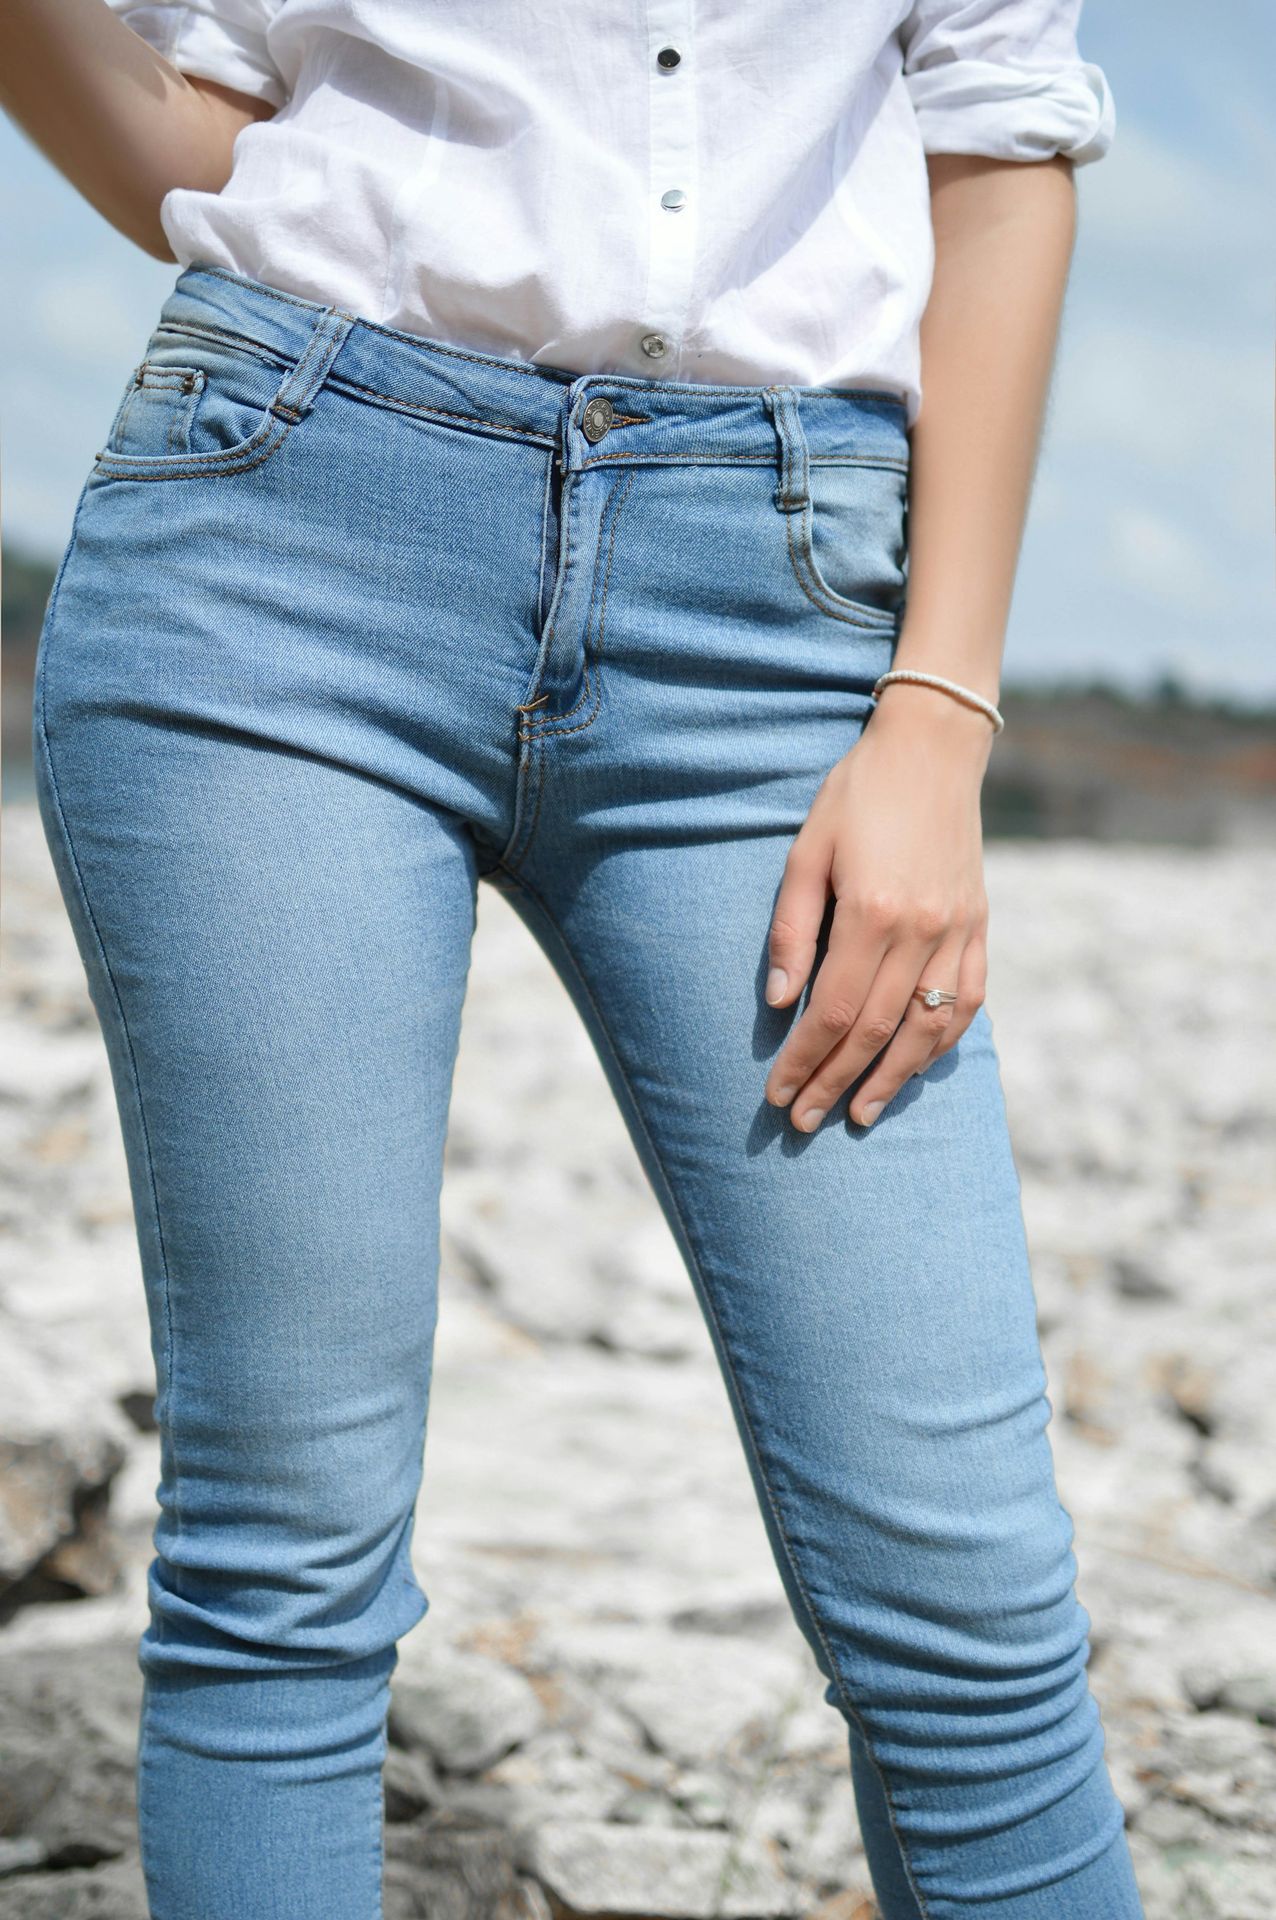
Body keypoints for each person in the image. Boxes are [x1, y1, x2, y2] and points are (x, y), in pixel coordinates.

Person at [3, 2, 1147, 1915]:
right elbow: (185, 120)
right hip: (284, 549)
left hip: (774, 621)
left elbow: (997, 139)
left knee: (969, 1597)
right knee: (284, 1561)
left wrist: (938, 714)